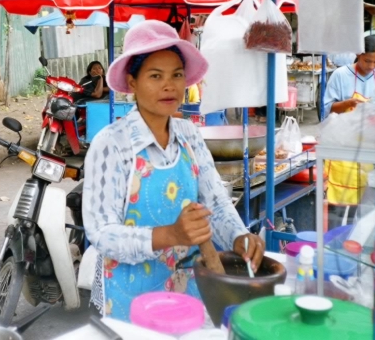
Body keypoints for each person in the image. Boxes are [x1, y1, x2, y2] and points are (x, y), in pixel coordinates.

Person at [82, 20, 264, 321]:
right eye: (155, 76)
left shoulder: (189, 134)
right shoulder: (111, 144)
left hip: (191, 292)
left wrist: (238, 236)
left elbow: (215, 203)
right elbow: (102, 233)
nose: (169, 86)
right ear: (132, 82)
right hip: (132, 301)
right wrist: (169, 234)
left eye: (177, 75)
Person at [323, 36, 375, 225]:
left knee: (366, 209)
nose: (371, 65)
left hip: (370, 150)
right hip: (343, 151)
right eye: (367, 60)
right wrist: (347, 104)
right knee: (339, 211)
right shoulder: (340, 75)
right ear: (358, 54)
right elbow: (326, 108)